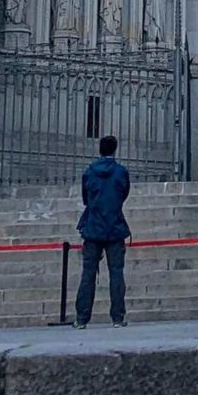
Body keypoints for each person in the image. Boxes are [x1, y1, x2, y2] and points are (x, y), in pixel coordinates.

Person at [75, 132, 131, 327]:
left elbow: (85, 198)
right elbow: (124, 194)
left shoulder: (89, 171)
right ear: (115, 150)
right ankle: (118, 317)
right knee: (116, 272)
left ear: (100, 150)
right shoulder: (121, 172)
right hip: (115, 227)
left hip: (93, 228)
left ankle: (81, 319)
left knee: (88, 273)